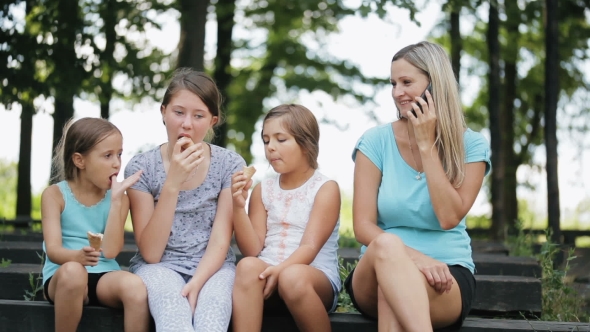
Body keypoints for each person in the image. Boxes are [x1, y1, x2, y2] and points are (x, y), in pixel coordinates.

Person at [344, 41, 492, 331]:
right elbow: (363, 227)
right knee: (388, 249)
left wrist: (426, 145)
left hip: (448, 275)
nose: (397, 92)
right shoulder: (375, 141)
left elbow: (449, 217)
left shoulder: (472, 145)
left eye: (407, 82)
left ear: (435, 84)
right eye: (393, 83)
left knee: (395, 289)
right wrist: (416, 259)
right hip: (373, 271)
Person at [124, 68, 245, 332]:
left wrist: (197, 283)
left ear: (213, 121)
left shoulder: (229, 164)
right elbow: (152, 254)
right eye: (178, 112)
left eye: (198, 115)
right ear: (163, 112)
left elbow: (221, 240)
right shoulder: (141, 168)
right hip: (159, 268)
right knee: (174, 320)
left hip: (214, 268)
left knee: (211, 320)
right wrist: (173, 183)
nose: (187, 124)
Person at [231, 104, 341, 332]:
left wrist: (280, 270)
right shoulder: (263, 190)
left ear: (305, 143)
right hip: (268, 273)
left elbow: (310, 247)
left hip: (312, 277)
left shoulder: (325, 188)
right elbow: (253, 249)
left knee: (292, 277)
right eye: (266, 140)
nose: (270, 147)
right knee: (247, 265)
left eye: (281, 139)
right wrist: (239, 207)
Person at [41, 117, 149, 332]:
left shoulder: (119, 198)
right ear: (80, 161)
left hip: (104, 275)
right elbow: (53, 250)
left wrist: (117, 201)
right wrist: (77, 258)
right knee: (74, 273)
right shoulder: (54, 195)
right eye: (107, 156)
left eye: (119, 154)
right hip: (63, 275)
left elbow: (110, 251)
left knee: (135, 287)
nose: (117, 163)